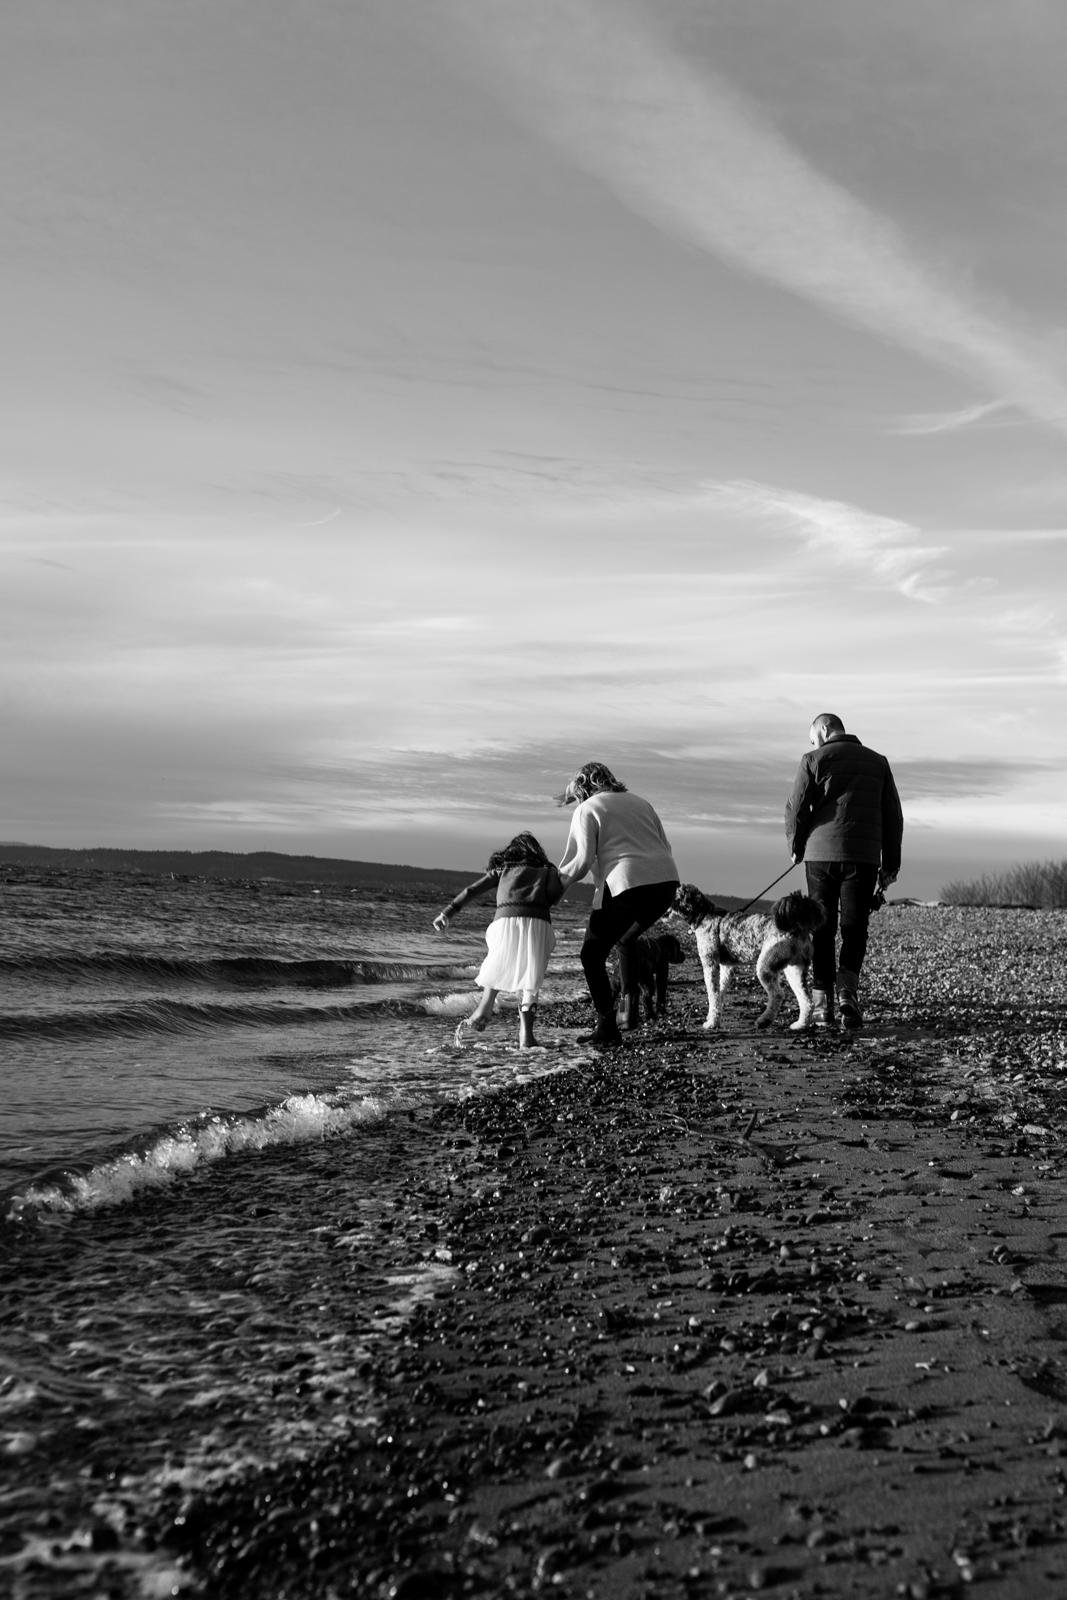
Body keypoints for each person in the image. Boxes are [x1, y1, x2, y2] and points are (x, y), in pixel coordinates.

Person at [784, 713, 903, 1030]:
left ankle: (822, 1006)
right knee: (854, 926)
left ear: (824, 729)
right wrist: (891, 864)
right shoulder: (879, 762)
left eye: (814, 737)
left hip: (820, 855)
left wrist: (795, 846)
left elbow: (795, 807)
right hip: (864, 858)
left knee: (821, 928)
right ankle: (847, 993)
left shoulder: (813, 759)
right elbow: (893, 815)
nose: (814, 743)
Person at [556, 761, 679, 1048]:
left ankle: (607, 1025)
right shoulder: (641, 803)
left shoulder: (588, 808)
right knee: (626, 940)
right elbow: (666, 847)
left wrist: (552, 893)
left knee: (591, 955)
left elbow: (581, 861)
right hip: (666, 884)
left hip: (627, 883)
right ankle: (629, 1011)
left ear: (584, 786)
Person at [434, 832, 564, 1049]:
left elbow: (471, 890)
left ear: (511, 852)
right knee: (531, 979)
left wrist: (446, 913)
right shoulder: (548, 871)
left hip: (504, 922)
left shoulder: (502, 870)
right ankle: (526, 1036)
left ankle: (485, 1005)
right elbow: (555, 897)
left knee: (498, 961)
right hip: (538, 923)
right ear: (537, 853)